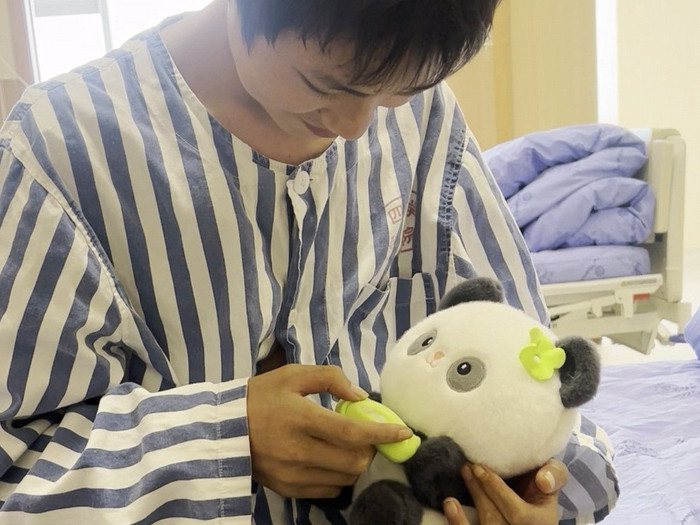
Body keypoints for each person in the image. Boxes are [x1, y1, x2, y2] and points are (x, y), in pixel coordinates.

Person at [0, 0, 618, 522]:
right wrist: (224, 441)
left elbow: (546, 394)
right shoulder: (58, 151)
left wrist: (535, 495)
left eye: (398, 93)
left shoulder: (424, 119)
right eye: (325, 86)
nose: (355, 128)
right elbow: (15, 471)